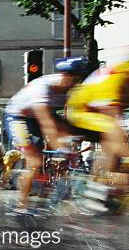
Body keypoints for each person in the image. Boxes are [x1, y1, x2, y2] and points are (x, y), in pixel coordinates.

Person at [66, 38, 129, 207]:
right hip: (80, 111)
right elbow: (112, 122)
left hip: (99, 111)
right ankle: (94, 191)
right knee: (116, 138)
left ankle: (110, 193)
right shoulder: (117, 79)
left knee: (118, 153)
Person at [5, 57, 87, 211]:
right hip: (19, 117)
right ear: (64, 76)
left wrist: (69, 144)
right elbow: (46, 122)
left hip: (38, 117)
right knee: (34, 162)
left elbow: (62, 123)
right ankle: (21, 204)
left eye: (77, 81)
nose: (73, 85)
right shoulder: (42, 87)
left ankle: (42, 201)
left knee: (54, 155)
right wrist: (60, 147)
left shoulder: (69, 92)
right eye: (72, 80)